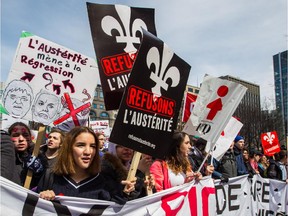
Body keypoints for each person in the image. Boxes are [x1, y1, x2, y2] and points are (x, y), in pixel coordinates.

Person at [37, 126, 130, 203]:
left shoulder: (106, 181)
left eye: (93, 146)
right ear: (68, 148)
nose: (88, 152)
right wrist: (42, 199)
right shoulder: (50, 176)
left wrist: (126, 192)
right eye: (81, 145)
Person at [8, 122, 47, 189]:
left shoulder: (39, 157)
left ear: (30, 138)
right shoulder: (4, 157)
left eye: (25, 135)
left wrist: (39, 173)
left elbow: (46, 185)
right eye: (16, 135)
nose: (21, 139)